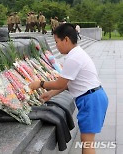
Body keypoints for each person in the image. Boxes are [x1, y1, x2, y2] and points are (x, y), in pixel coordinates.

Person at [29, 23, 108, 154]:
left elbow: (60, 83)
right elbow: (67, 83)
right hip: (93, 97)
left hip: (91, 100)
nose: (56, 46)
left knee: (87, 142)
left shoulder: (74, 58)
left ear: (66, 39)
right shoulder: (76, 54)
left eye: (57, 42)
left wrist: (40, 83)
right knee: (87, 141)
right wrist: (51, 94)